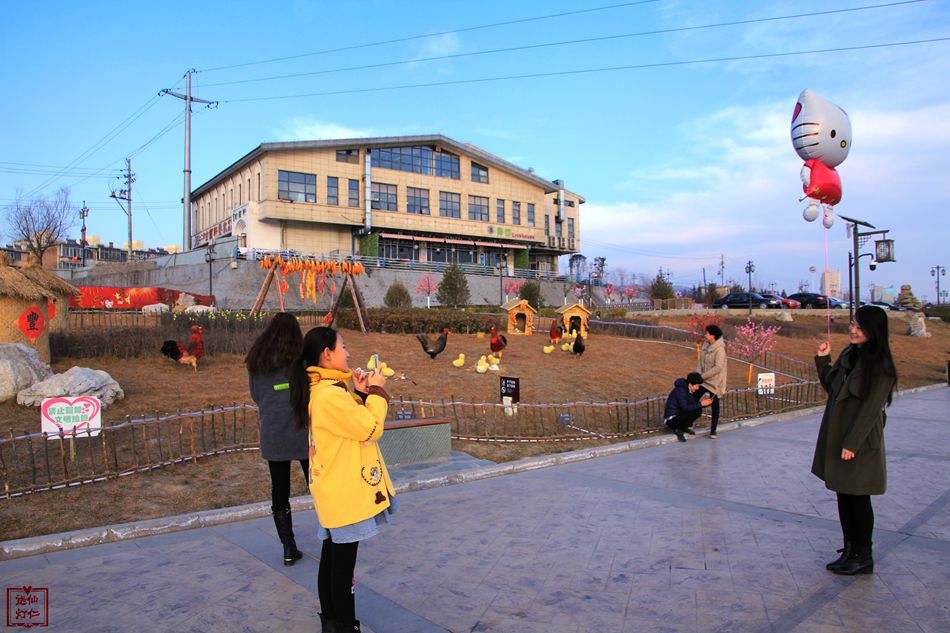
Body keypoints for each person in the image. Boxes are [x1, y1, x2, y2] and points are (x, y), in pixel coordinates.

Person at [288, 326, 395, 633]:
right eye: (343, 347)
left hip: (336, 487)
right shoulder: (329, 396)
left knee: (333, 559)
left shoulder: (328, 390)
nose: (348, 353)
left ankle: (332, 622)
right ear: (327, 354)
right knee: (342, 567)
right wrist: (376, 392)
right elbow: (370, 429)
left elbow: (351, 425)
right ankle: (345, 626)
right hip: (344, 491)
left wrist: (360, 394)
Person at [812, 305, 897, 575]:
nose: (853, 330)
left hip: (859, 440)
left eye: (860, 327)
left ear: (874, 331)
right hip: (839, 433)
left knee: (858, 497)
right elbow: (833, 386)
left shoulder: (881, 367)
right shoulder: (850, 355)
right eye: (853, 324)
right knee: (844, 494)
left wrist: (852, 443)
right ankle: (850, 549)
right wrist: (823, 360)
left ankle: (863, 555)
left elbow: (871, 409)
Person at [245, 313, 308, 566]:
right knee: (318, 485)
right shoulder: (301, 360)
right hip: (303, 431)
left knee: (280, 490)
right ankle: (332, 533)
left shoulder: (257, 361)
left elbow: (255, 395)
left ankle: (288, 547)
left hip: (273, 432)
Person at [696, 324, 727, 438]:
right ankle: (688, 422)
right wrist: (698, 375)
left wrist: (703, 376)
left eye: (707, 333)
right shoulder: (705, 345)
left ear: (713, 336)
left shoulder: (720, 350)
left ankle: (713, 430)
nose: (705, 335)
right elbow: (700, 361)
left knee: (714, 405)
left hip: (715, 381)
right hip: (703, 379)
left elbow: (718, 368)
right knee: (693, 399)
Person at [664, 372, 713, 442]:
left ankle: (683, 427)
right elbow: (685, 408)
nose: (698, 388)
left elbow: (693, 405)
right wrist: (701, 404)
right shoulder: (680, 391)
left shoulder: (687, 390)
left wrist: (707, 403)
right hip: (671, 420)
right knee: (694, 410)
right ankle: (678, 429)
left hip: (678, 416)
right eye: (697, 386)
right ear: (690, 384)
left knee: (697, 410)